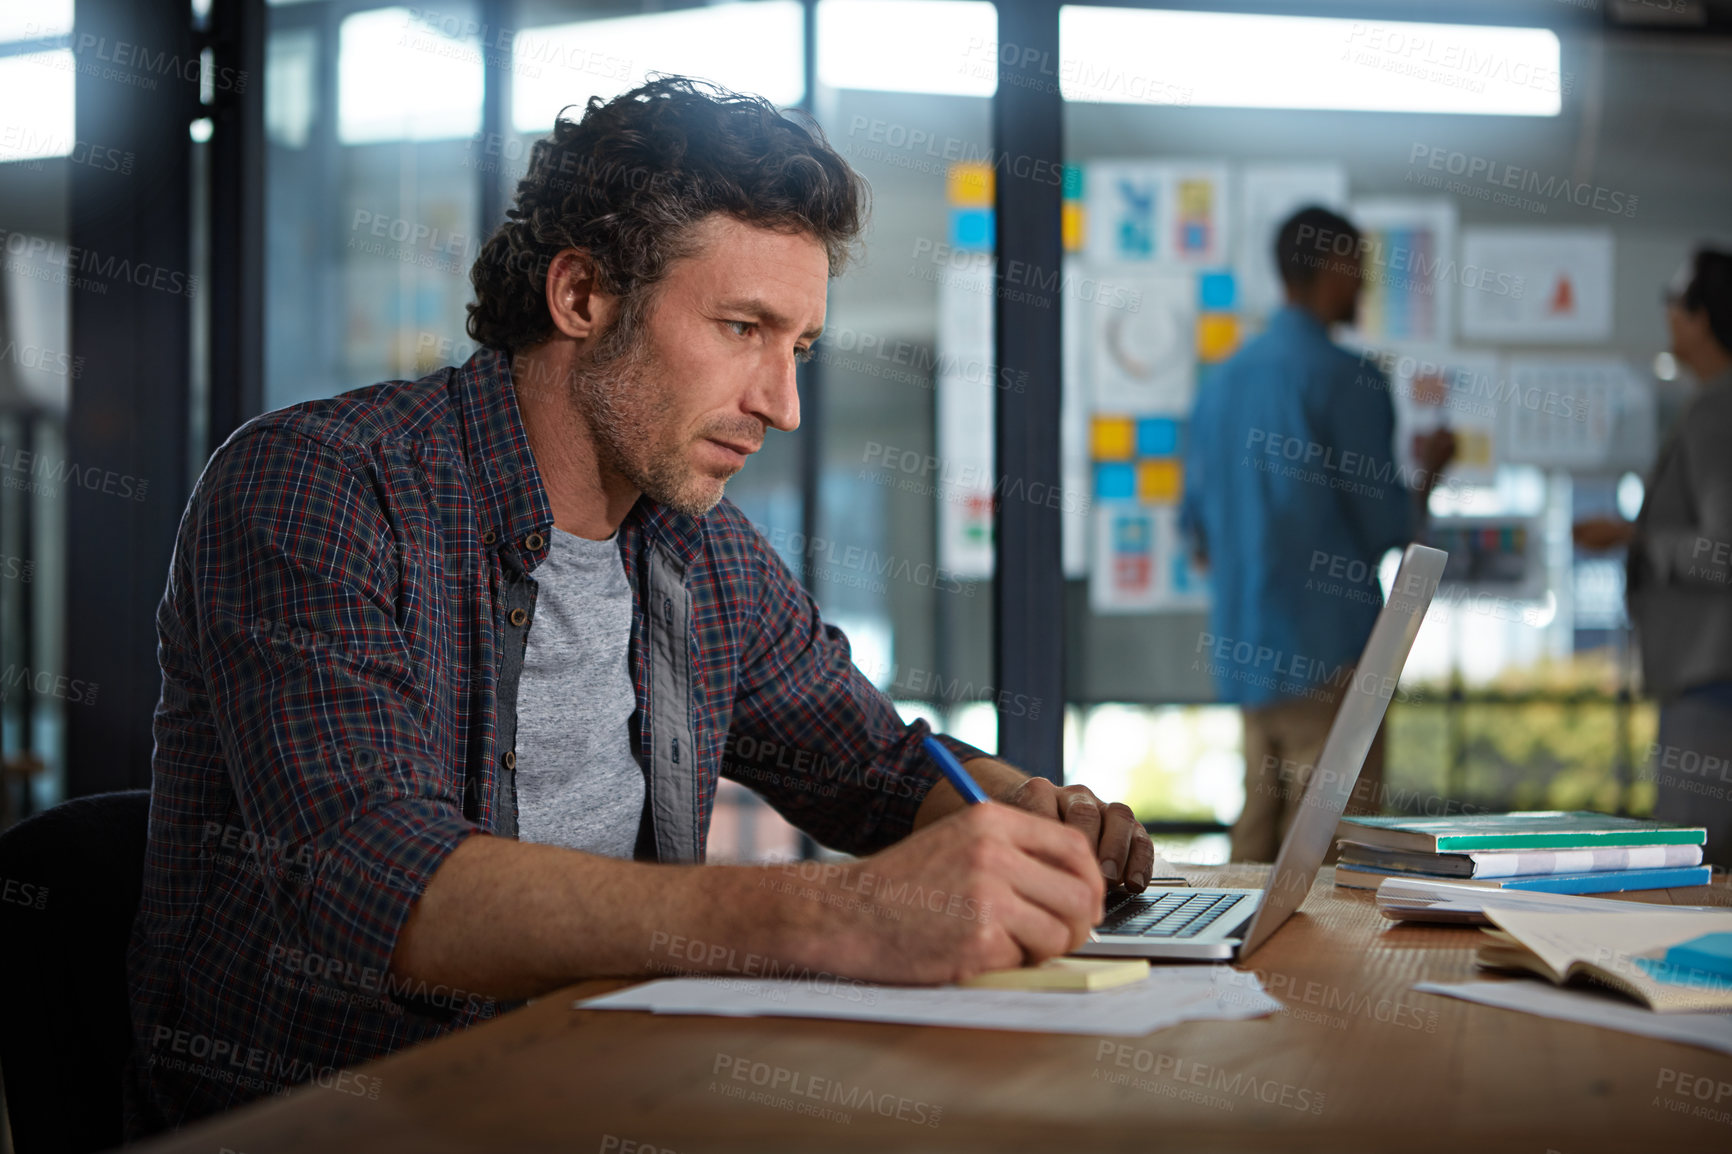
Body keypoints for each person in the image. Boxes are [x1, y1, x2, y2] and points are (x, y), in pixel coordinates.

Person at [124, 78, 1156, 1136]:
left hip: (613, 1097)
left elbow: (881, 770)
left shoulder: (697, 549)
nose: (782, 404)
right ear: (581, 297)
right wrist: (841, 915)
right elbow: (379, 883)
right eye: (742, 326)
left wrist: (1024, 815)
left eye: (796, 347)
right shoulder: (317, 487)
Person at [1180, 205, 1455, 862]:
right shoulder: (1348, 378)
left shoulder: (1220, 384)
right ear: (1331, 267)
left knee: (1255, 848)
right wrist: (1429, 476)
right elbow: (1386, 524)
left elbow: (1197, 534)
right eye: (1357, 268)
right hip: (1329, 657)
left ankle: (1225, 968)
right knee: (1328, 866)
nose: (1361, 285)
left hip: (1247, 657)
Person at [1574, 248, 1732, 867]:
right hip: (1707, 678)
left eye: (1674, 302)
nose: (1666, 315)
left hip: (1711, 681)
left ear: (1701, 317)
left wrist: (1633, 539)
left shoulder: (1718, 410)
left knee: (1701, 867)